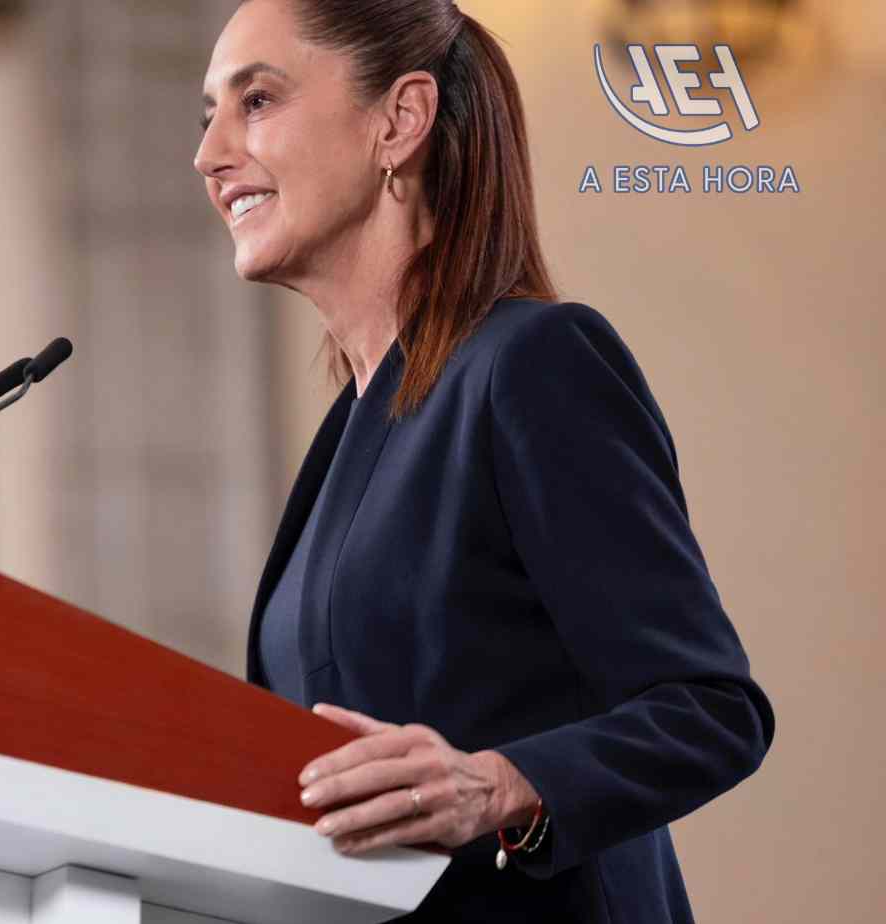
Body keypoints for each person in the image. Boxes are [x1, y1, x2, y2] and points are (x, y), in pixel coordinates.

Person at [193, 1, 774, 921]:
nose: (210, 154)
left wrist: (497, 788)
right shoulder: (354, 424)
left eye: (255, 100)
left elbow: (709, 709)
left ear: (401, 119)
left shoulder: (532, 364)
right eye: (207, 115)